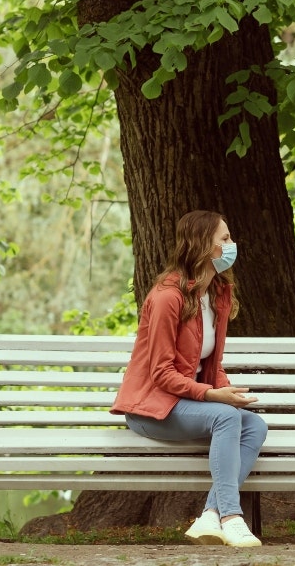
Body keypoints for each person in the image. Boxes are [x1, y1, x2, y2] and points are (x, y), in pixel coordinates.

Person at [111, 210, 268, 547]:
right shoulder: (168, 297)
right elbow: (161, 374)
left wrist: (226, 389)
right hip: (150, 408)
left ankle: (209, 516)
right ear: (202, 246)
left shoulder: (217, 294)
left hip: (185, 403)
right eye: (224, 240)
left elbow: (209, 364)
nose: (232, 245)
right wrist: (214, 397)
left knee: (255, 425)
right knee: (226, 417)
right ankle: (231, 517)